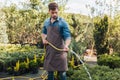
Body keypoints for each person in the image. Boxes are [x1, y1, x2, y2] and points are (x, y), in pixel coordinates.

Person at [41, 2, 71, 80]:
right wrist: (44, 39)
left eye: (56, 12)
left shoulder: (63, 23)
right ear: (49, 11)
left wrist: (66, 45)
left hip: (60, 52)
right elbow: (43, 32)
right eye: (52, 12)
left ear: (58, 11)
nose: (54, 14)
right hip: (50, 51)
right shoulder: (46, 22)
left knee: (62, 74)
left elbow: (67, 36)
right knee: (50, 73)